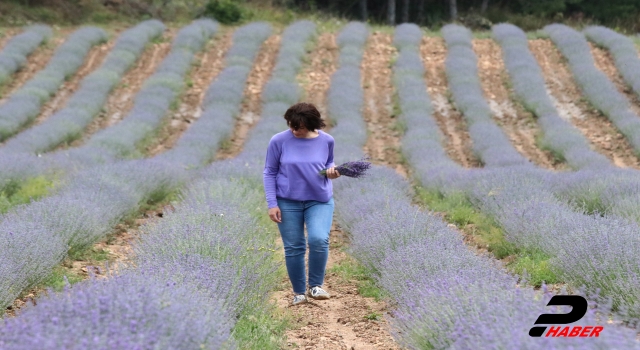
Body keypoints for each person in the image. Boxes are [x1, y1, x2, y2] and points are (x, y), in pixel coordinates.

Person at [263, 102, 341, 306]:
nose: (294, 130)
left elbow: (328, 162)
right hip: (287, 201)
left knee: (318, 239)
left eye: (299, 127)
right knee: (294, 247)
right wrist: (272, 203)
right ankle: (299, 293)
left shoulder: (327, 141)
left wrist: (333, 170)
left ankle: (316, 286)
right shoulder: (279, 141)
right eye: (291, 125)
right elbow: (269, 172)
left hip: (319, 199)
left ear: (312, 124)